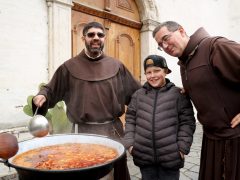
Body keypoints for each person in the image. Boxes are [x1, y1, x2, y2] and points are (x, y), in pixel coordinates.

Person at [32, 21, 141, 180]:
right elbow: (50, 90)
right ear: (83, 38)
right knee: (84, 172)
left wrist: (165, 92)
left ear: (104, 38)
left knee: (116, 174)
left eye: (100, 35)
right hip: (81, 133)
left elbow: (138, 96)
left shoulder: (117, 66)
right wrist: (42, 95)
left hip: (113, 132)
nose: (96, 38)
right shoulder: (69, 67)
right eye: (91, 35)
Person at [152, 21, 240, 180]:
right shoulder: (184, 62)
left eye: (166, 38)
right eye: (160, 45)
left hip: (235, 138)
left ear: (181, 30)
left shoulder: (216, 46)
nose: (164, 46)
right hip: (211, 138)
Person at [123, 55, 196, 180]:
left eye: (157, 71)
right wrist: (130, 144)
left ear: (166, 71)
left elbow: (187, 122)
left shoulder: (178, 95)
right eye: (148, 72)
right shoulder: (138, 95)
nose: (153, 75)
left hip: (171, 157)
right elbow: (130, 119)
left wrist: (182, 148)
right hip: (143, 155)